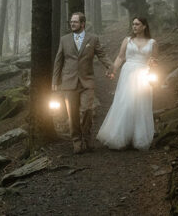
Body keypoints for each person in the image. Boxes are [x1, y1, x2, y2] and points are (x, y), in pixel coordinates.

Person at [52, 12, 113, 154]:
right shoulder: (64, 40)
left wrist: (110, 66)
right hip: (69, 82)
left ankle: (87, 137)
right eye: (71, 22)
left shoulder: (93, 38)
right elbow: (58, 61)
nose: (72, 24)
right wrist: (55, 81)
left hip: (87, 81)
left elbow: (102, 54)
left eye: (75, 22)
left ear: (82, 24)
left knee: (87, 110)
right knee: (72, 114)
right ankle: (76, 141)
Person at [96, 16, 158, 150]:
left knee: (141, 104)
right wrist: (113, 69)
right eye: (133, 24)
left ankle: (139, 138)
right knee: (125, 102)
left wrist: (153, 70)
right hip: (128, 73)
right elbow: (120, 57)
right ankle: (119, 137)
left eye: (137, 24)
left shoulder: (152, 43)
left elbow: (154, 60)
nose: (134, 26)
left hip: (143, 74)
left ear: (144, 26)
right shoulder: (127, 40)